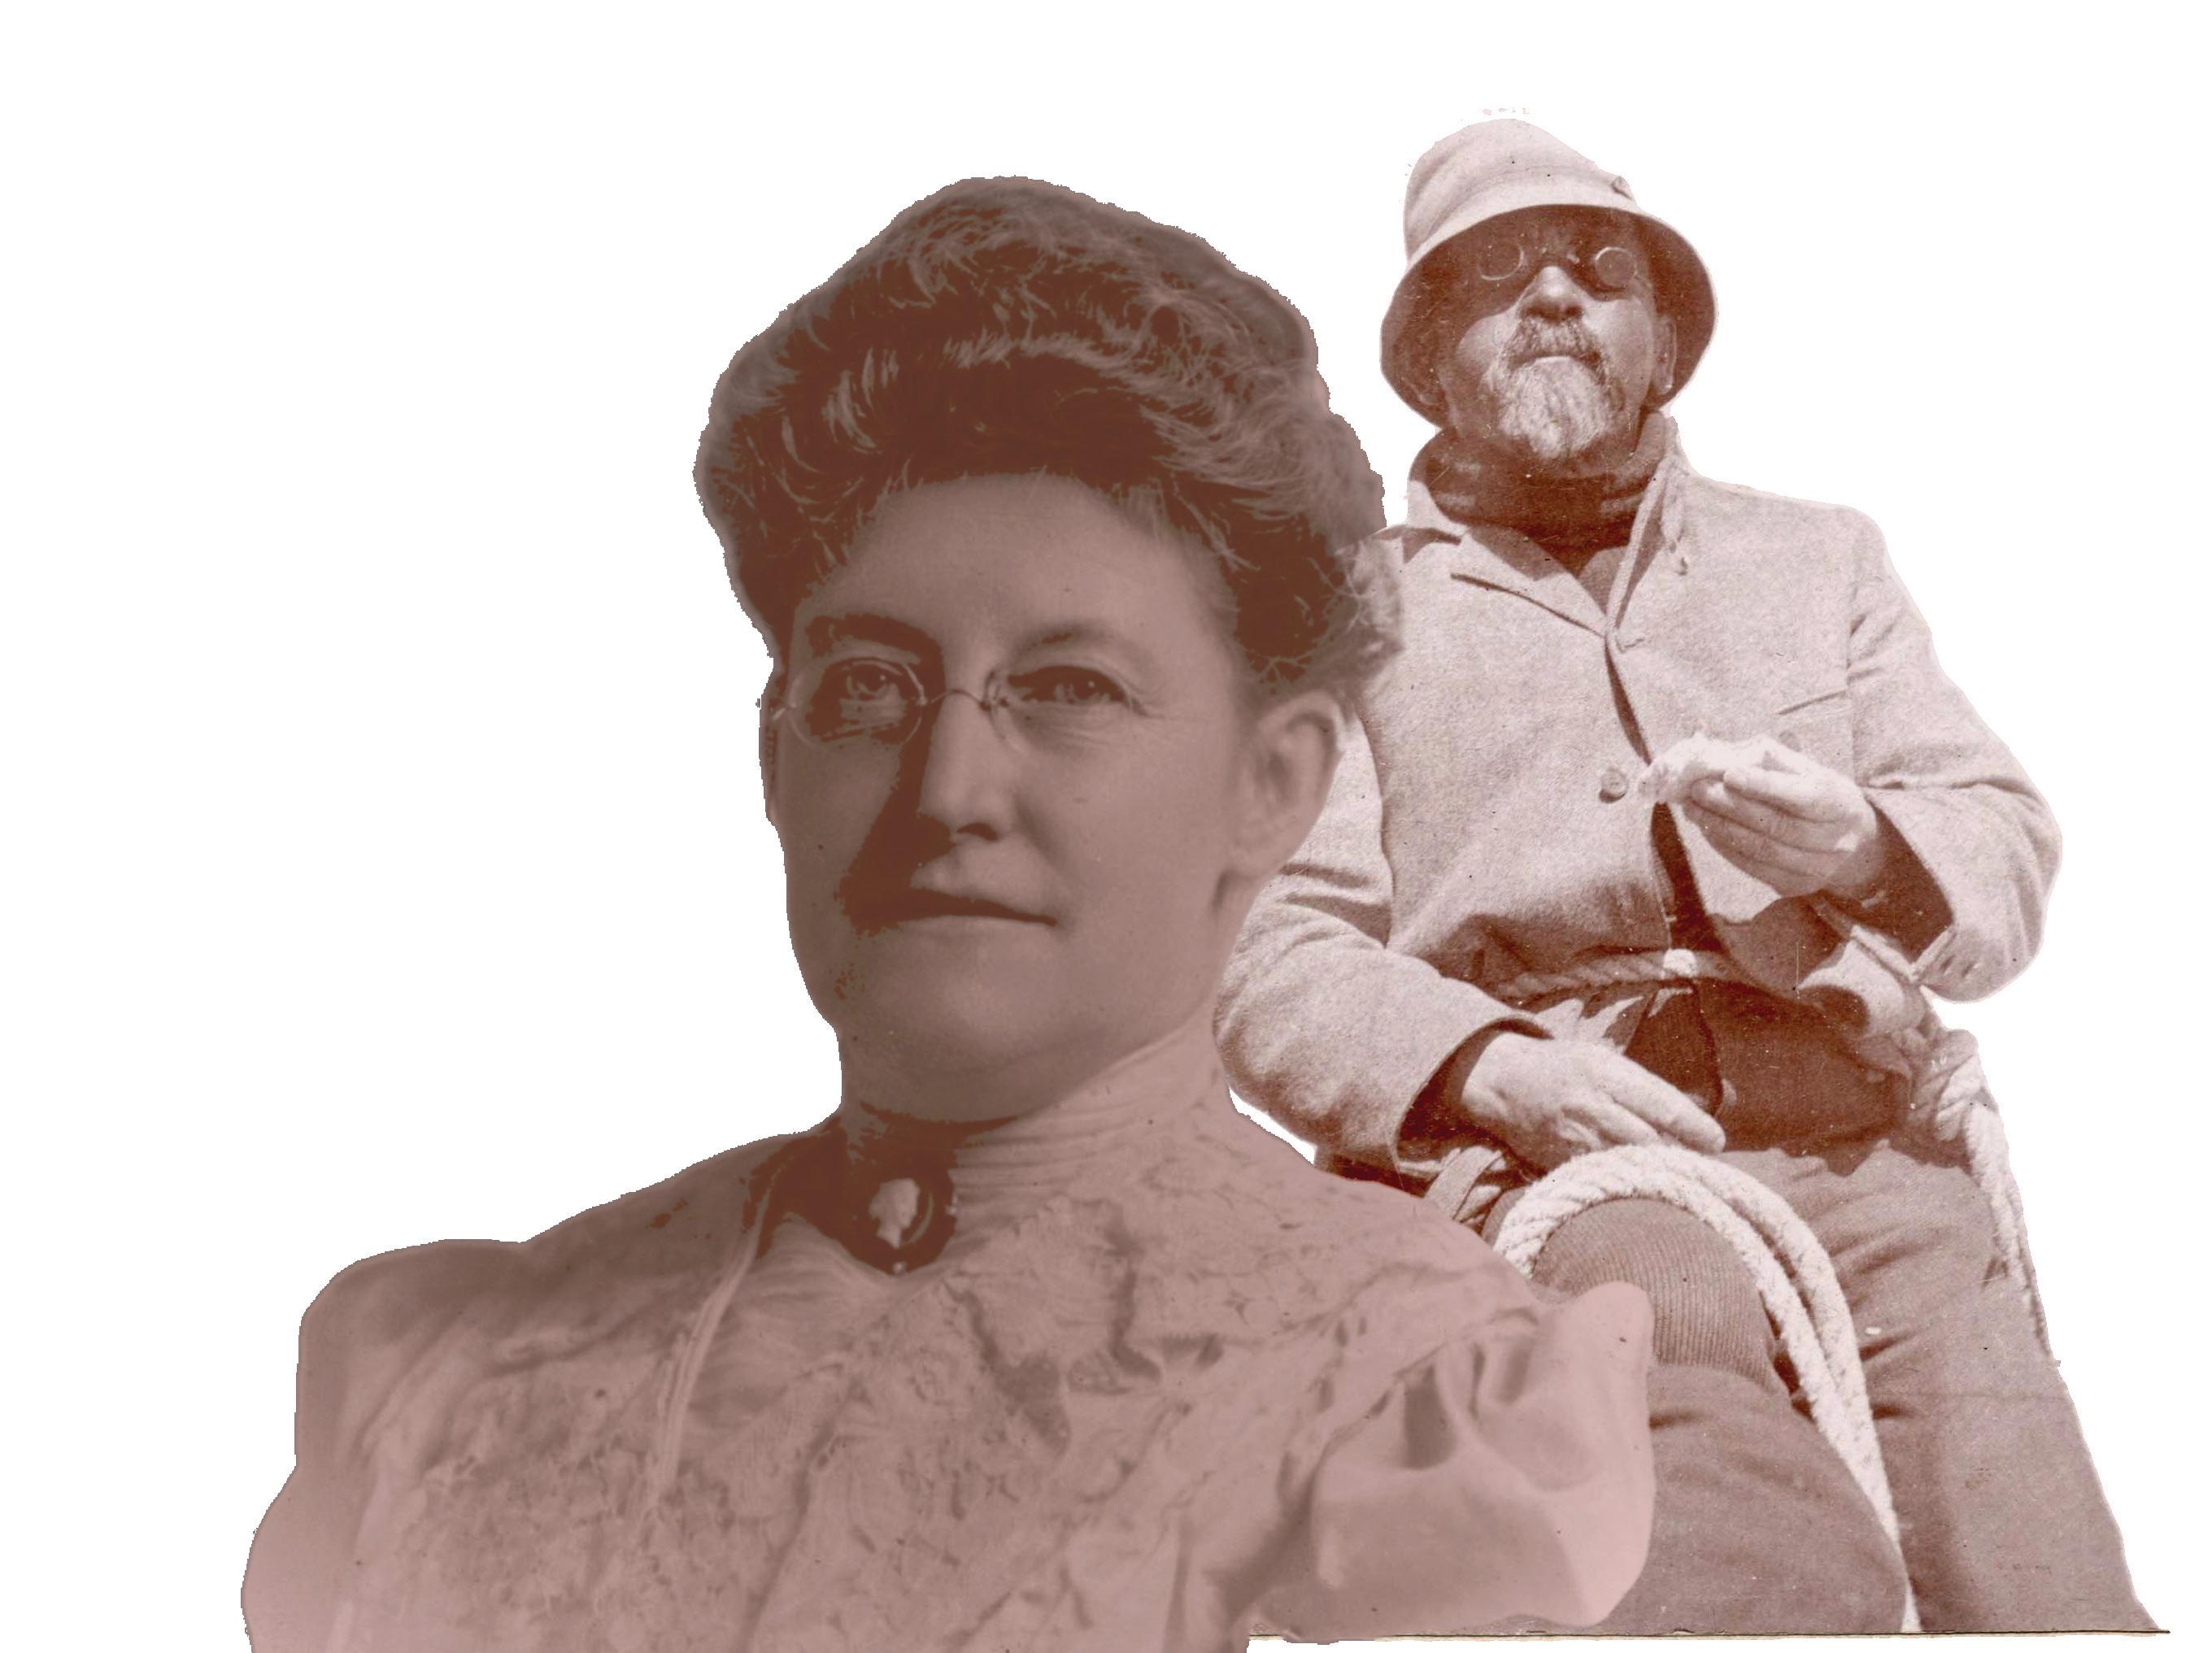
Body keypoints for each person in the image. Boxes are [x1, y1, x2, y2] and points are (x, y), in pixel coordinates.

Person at [242, 177, 1666, 1651]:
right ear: (774, 757)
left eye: (1069, 688)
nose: (947, 790)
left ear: (1273, 785)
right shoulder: (448, 1367)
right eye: (869, 685)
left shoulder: (1420, 1404)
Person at [1217, 119, 2151, 1632]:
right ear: (1433, 357)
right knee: (1698, 1424)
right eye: (1497, 276)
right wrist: (1494, 1067)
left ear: (1663, 342)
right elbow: (1267, 948)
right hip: (1544, 1161)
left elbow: (1999, 839)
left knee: (2035, 1544)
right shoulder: (1328, 620)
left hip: (1860, 1148)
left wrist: (1866, 847)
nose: (1554, 296)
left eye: (1599, 269)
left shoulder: (1822, 561)